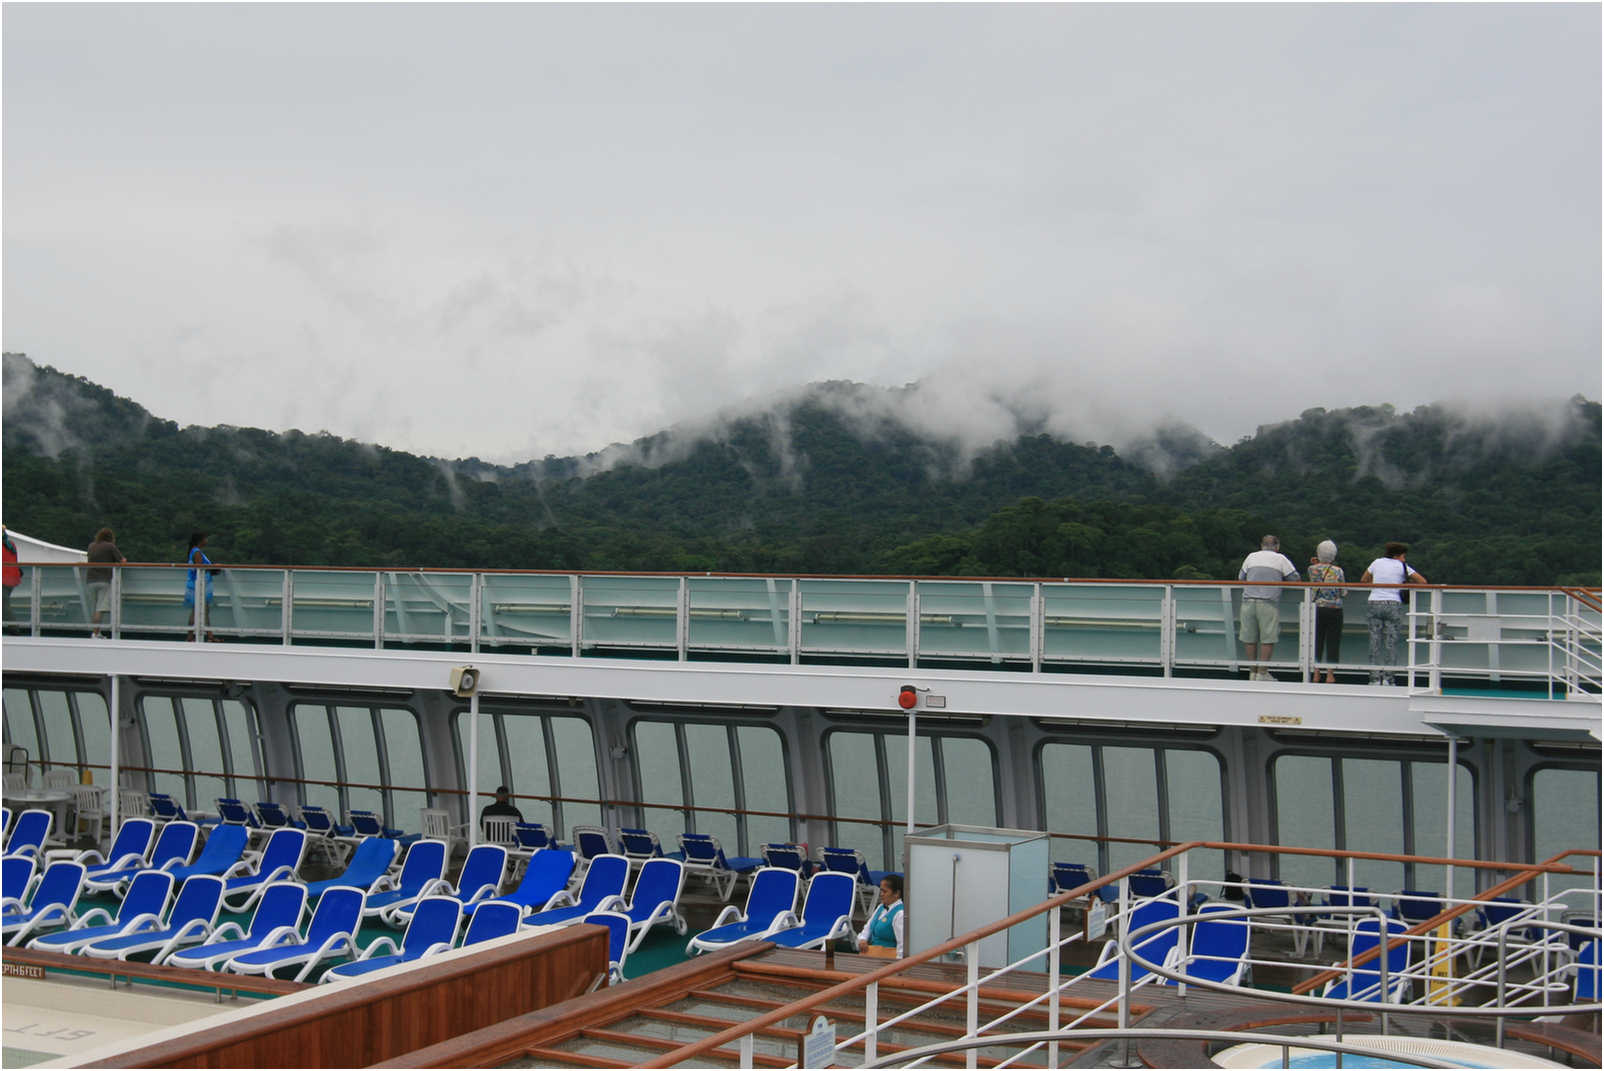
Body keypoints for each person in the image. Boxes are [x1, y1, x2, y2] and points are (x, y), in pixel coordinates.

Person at [1360, 542, 1426, 685]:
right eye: (1403, 556)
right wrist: (1404, 585)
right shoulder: (1402, 566)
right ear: (1397, 556)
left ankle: (1374, 679)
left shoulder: (1376, 562)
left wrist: (1377, 584)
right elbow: (1422, 581)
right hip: (1393, 604)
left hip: (1374, 602)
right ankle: (1389, 679)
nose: (1404, 559)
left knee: (1374, 641)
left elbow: (1364, 579)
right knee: (1391, 642)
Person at [1237, 535, 1299, 681]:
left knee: (1249, 638)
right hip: (1268, 603)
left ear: (1261, 545)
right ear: (1277, 546)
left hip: (1248, 601)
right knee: (1267, 638)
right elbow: (1295, 579)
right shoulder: (1281, 559)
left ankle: (1252, 672)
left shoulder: (1251, 556)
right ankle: (1262, 673)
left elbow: (1241, 577)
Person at [1307, 540, 1346, 684]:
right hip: (1335, 609)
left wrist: (1315, 562)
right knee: (1333, 641)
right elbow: (1344, 592)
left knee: (1317, 640)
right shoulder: (1338, 571)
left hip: (1317, 608)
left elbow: (1315, 574)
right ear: (1334, 554)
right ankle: (1330, 674)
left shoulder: (1311, 569)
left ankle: (1316, 673)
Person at [86, 527, 127, 638]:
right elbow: (122, 561)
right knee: (100, 608)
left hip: (90, 580)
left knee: (94, 608)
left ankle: (96, 632)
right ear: (110, 537)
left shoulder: (91, 546)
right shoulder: (110, 546)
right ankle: (95, 633)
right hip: (104, 580)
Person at [856, 873, 905, 958]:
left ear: (896, 893)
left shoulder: (900, 914)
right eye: (881, 890)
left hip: (888, 960)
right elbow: (868, 927)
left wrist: (898, 966)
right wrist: (863, 939)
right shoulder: (881, 907)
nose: (881, 894)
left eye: (884, 891)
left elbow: (902, 945)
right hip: (874, 955)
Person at [184, 531, 218, 641]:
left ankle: (209, 635)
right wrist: (215, 567)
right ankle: (191, 636)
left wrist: (213, 569)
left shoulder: (195, 551)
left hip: (201, 584)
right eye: (205, 539)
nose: (206, 541)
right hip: (198, 585)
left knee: (203, 610)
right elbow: (200, 568)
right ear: (200, 540)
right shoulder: (197, 552)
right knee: (197, 610)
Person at [1, 525, 19, 631]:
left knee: (3, 603)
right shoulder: (10, 544)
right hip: (11, 579)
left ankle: (14, 629)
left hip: (4, 579)